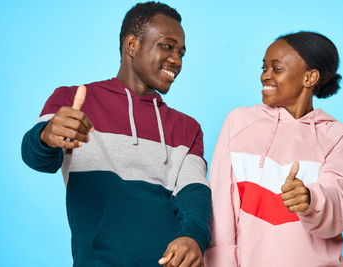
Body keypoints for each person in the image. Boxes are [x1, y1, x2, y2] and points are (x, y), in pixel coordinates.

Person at [21, 2, 211, 266]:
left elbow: (195, 195)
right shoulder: (74, 100)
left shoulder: (187, 128)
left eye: (181, 52)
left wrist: (193, 236)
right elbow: (37, 159)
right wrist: (46, 136)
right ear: (131, 45)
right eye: (167, 46)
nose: (176, 60)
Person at [204, 31, 343, 266]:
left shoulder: (337, 136)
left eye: (276, 69)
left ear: (309, 78)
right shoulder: (239, 123)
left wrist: (311, 199)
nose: (265, 76)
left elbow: (342, 203)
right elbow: (220, 211)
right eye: (264, 68)